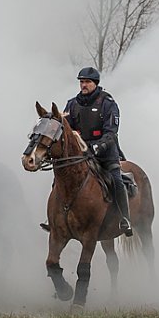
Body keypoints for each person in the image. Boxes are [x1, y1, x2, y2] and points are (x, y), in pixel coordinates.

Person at [64, 67, 132, 236]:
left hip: (105, 154)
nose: (83, 85)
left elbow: (111, 133)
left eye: (87, 82)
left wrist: (97, 146)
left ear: (95, 83)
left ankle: (125, 219)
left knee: (116, 180)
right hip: (81, 154)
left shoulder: (108, 103)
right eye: (81, 82)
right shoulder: (72, 104)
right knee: (61, 178)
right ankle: (56, 218)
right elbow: (66, 128)